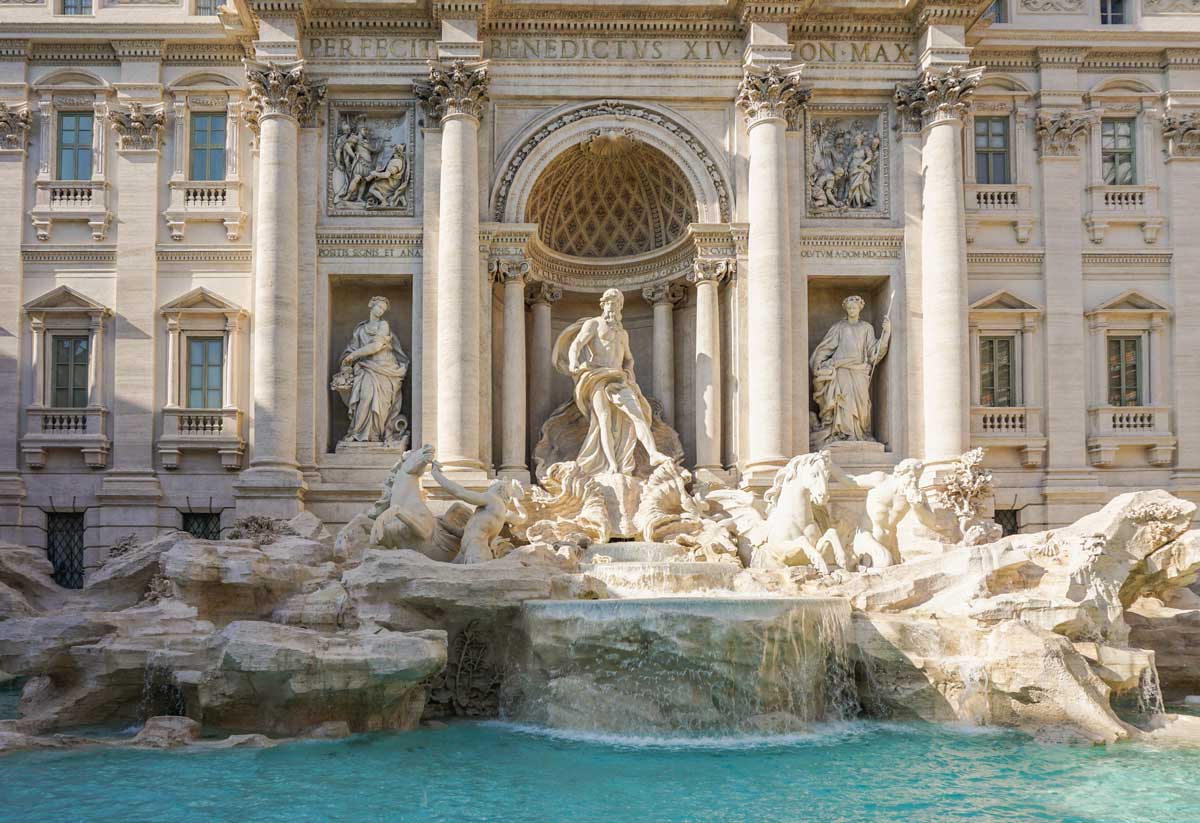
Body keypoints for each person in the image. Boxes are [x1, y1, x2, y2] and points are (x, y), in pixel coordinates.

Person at [555, 288, 672, 476]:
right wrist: (574, 362)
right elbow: (576, 345)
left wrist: (630, 375)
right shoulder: (594, 324)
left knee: (638, 415)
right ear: (603, 304)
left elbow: (629, 358)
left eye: (617, 303)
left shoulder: (622, 333)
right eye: (610, 302)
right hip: (597, 377)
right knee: (604, 420)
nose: (613, 306)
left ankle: (653, 453)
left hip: (619, 379)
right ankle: (611, 465)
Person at [810, 295, 890, 445]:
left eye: (854, 307)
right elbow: (826, 347)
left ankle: (860, 433)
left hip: (860, 370)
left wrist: (886, 334)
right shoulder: (839, 327)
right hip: (842, 369)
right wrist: (819, 363)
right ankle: (843, 433)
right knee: (844, 401)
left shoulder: (867, 328)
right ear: (846, 309)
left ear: (860, 308)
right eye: (849, 307)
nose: (851, 310)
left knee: (862, 405)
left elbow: (873, 351)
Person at [334, 296, 409, 445]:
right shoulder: (360, 329)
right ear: (371, 305)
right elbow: (352, 349)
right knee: (365, 398)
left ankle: (375, 435)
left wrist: (354, 355)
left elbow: (375, 346)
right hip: (366, 368)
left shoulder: (383, 325)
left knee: (380, 405)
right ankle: (357, 432)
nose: (380, 310)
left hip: (385, 369)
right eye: (378, 307)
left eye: (383, 309)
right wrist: (348, 358)